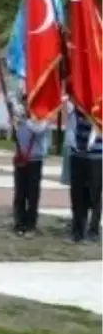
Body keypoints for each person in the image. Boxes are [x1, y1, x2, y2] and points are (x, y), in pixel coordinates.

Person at [10, 98, 51, 237]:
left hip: (35, 160)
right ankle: (19, 222)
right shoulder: (20, 119)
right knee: (20, 193)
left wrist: (26, 120)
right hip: (20, 160)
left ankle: (31, 224)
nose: (26, 106)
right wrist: (15, 119)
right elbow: (14, 133)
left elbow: (38, 129)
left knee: (32, 194)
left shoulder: (42, 119)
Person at [66, 100, 103, 243]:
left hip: (97, 156)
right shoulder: (77, 106)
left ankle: (93, 231)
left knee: (94, 195)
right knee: (77, 195)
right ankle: (77, 231)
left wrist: (91, 116)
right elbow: (71, 126)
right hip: (77, 154)